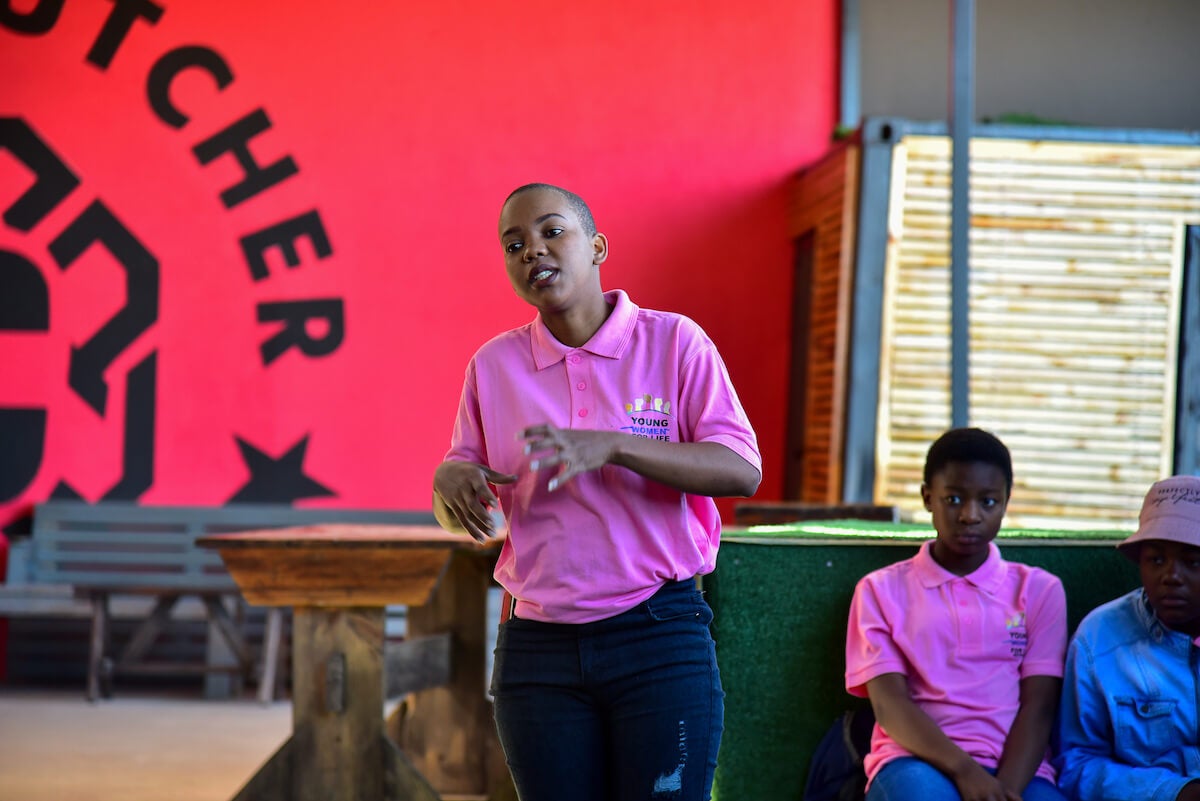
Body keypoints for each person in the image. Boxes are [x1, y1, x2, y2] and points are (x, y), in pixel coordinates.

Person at [431, 183, 762, 801]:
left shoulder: (674, 343)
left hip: (660, 632)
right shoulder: (492, 366)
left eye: (552, 231)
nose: (533, 250)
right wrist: (446, 482)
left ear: (597, 245)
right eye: (514, 244)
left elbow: (741, 468)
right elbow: (463, 508)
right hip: (539, 648)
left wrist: (613, 445)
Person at [844, 427, 1069, 801]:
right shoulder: (880, 590)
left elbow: (1040, 706)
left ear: (1006, 501)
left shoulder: (1040, 591)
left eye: (988, 502)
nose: (970, 515)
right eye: (953, 499)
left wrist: (1004, 791)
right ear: (927, 497)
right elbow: (889, 704)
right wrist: (966, 772)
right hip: (914, 762)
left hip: (1017, 769)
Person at [1054, 474, 1200, 801]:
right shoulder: (1099, 638)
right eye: (1156, 559)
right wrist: (1175, 792)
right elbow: (1075, 764)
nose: (1171, 576)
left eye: (1193, 561)